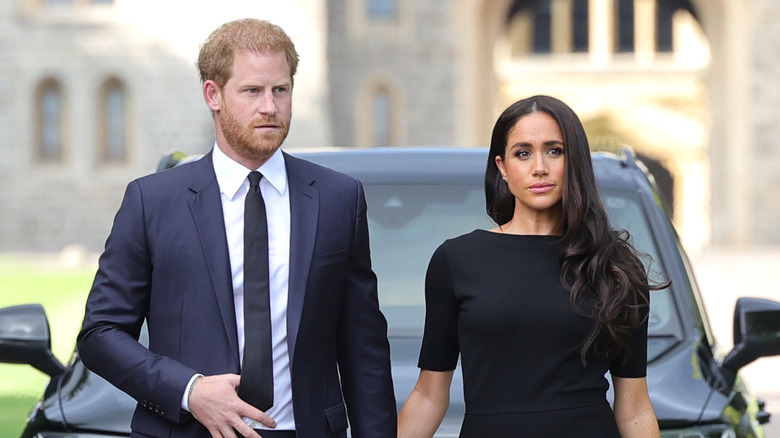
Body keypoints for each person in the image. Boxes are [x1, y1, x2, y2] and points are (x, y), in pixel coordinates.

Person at [77, 18, 396, 438]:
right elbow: (101, 334)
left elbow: (363, 347)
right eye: (252, 91)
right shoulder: (152, 202)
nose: (270, 107)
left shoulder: (338, 198)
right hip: (189, 429)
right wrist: (189, 391)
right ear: (213, 94)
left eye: (280, 90)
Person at [397, 95, 663, 437]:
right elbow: (429, 395)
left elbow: (634, 406)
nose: (540, 167)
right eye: (523, 153)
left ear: (575, 160)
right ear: (502, 167)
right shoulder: (457, 261)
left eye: (555, 150)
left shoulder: (615, 267)